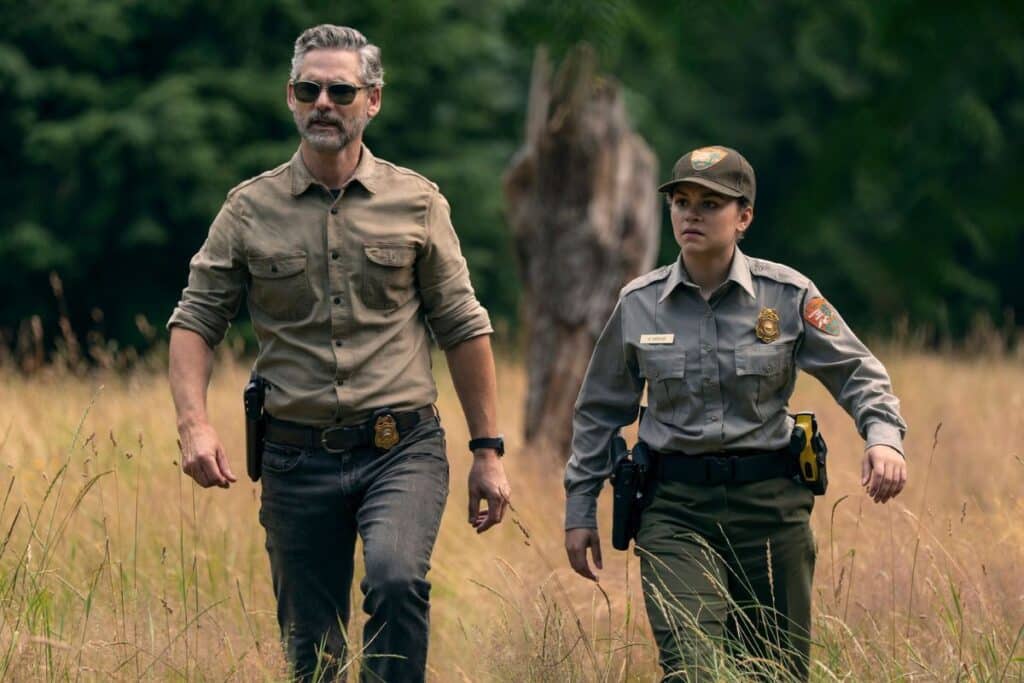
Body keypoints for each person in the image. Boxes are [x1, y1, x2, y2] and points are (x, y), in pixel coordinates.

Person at [166, 24, 511, 682]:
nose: (323, 101)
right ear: (290, 97)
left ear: (372, 100)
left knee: (394, 577)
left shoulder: (417, 202)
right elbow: (196, 319)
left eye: (340, 90)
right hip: (294, 456)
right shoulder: (247, 209)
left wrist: (487, 452)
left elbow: (464, 325)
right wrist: (194, 423)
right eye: (308, 88)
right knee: (313, 646)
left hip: (400, 446)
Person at [563, 145, 908, 680]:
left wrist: (883, 437)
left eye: (710, 203)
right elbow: (599, 412)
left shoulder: (788, 295)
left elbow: (858, 372)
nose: (691, 214)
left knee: (775, 671)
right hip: (674, 510)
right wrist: (580, 509)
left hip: (769, 508)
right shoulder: (638, 303)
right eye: (681, 201)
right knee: (693, 667)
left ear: (744, 217)